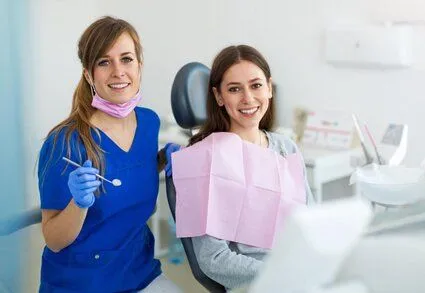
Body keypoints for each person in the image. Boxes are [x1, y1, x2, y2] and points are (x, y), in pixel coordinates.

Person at [37, 16, 181, 293]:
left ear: (139, 66)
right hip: (81, 283)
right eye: (104, 62)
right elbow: (54, 240)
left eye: (126, 59)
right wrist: (79, 204)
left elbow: (129, 171)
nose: (118, 71)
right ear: (89, 74)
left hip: (138, 271)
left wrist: (163, 159)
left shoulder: (149, 122)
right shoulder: (64, 143)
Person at [167, 45, 314, 290]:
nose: (248, 98)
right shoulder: (205, 162)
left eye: (256, 85)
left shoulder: (286, 149)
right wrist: (282, 273)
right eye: (234, 89)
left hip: (299, 274)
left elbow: (311, 223)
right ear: (219, 97)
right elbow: (213, 259)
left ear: (269, 88)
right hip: (255, 283)